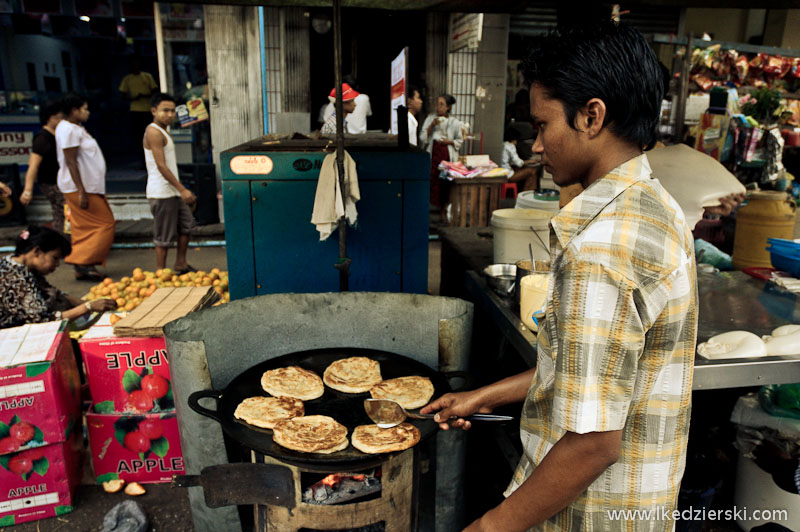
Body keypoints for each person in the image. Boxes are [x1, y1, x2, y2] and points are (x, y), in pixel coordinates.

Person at [422, 21, 697, 531]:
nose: (536, 146)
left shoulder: (601, 250)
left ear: (592, 116)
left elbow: (592, 444)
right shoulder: (655, 205)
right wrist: (485, 395)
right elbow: (598, 375)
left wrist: (488, 527)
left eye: (543, 125)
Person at [0, 225, 115, 329]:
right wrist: (88, 307)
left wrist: (87, 303)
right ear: (37, 252)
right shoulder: (15, 278)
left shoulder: (15, 263)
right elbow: (43, 321)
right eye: (54, 258)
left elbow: (50, 290)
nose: (57, 265)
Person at [56, 93, 115, 281]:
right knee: (105, 224)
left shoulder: (74, 128)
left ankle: (84, 266)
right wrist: (81, 190)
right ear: (74, 110)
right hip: (81, 188)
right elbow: (71, 161)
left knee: (85, 226)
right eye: (85, 109)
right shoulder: (68, 130)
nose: (88, 112)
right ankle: (82, 261)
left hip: (88, 186)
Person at [144, 93, 196, 273]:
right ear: (153, 111)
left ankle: (180, 264)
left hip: (172, 190)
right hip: (161, 191)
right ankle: (161, 272)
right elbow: (160, 165)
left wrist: (179, 189)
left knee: (186, 225)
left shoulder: (165, 130)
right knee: (164, 235)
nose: (170, 114)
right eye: (165, 110)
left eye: (173, 111)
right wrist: (183, 189)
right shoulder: (153, 131)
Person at [20, 101, 65, 234]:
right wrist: (28, 190)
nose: (62, 120)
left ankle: (62, 243)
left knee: (60, 213)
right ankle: (63, 243)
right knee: (64, 211)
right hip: (50, 183)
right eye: (60, 117)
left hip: (59, 181)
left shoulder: (57, 134)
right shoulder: (42, 138)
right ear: (51, 118)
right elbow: (33, 166)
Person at [419, 94, 463, 214]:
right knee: (432, 180)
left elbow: (459, 140)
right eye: (437, 104)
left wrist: (449, 141)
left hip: (446, 156)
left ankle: (443, 211)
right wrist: (431, 126)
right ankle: (428, 209)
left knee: (445, 183)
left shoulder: (454, 122)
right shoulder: (430, 118)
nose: (438, 107)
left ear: (448, 107)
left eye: (442, 104)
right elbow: (422, 138)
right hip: (433, 154)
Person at [119, 57, 158, 167]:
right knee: (139, 136)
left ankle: (153, 160)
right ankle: (143, 161)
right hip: (135, 110)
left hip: (147, 110)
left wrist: (144, 95)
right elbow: (122, 95)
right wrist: (133, 98)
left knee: (151, 135)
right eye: (133, 64)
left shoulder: (147, 77)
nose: (135, 66)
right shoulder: (128, 79)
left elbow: (155, 91)